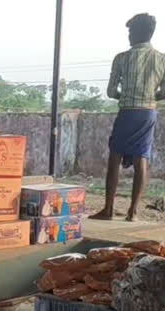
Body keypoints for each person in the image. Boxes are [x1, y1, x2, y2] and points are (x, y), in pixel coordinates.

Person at [91, 13, 165, 222]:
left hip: (127, 112)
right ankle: (133, 211)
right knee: (142, 158)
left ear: (137, 32)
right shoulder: (162, 59)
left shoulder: (122, 58)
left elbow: (111, 91)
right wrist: (151, 95)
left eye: (130, 31)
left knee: (115, 157)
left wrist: (125, 95)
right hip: (148, 113)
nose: (129, 36)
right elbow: (164, 92)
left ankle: (108, 209)